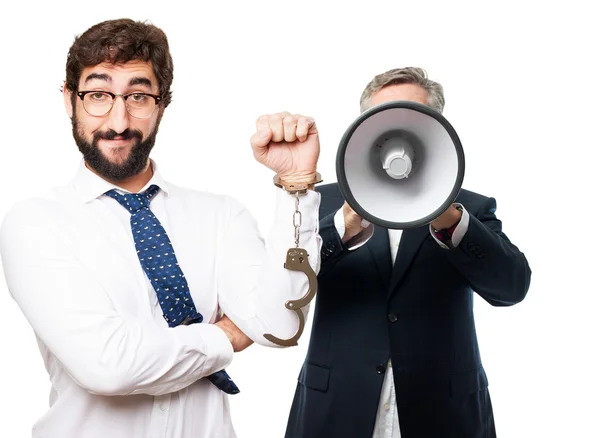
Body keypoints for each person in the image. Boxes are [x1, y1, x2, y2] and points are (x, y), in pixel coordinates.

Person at [0, 18, 322, 438]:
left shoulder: (220, 216)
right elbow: (107, 365)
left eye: (138, 96)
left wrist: (296, 185)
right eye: (98, 94)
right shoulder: (36, 223)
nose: (118, 121)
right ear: (69, 99)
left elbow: (279, 325)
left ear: (162, 105)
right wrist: (226, 334)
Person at [285, 67, 532, 438]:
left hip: (443, 413)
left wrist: (451, 220)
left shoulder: (470, 209)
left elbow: (512, 288)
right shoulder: (326, 201)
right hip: (337, 408)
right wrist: (342, 225)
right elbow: (285, 286)